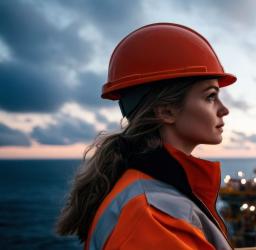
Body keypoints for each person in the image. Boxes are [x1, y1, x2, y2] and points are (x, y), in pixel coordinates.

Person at [56, 23, 236, 250]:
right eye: (210, 96)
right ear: (166, 111)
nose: (224, 109)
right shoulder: (153, 214)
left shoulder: (152, 192)